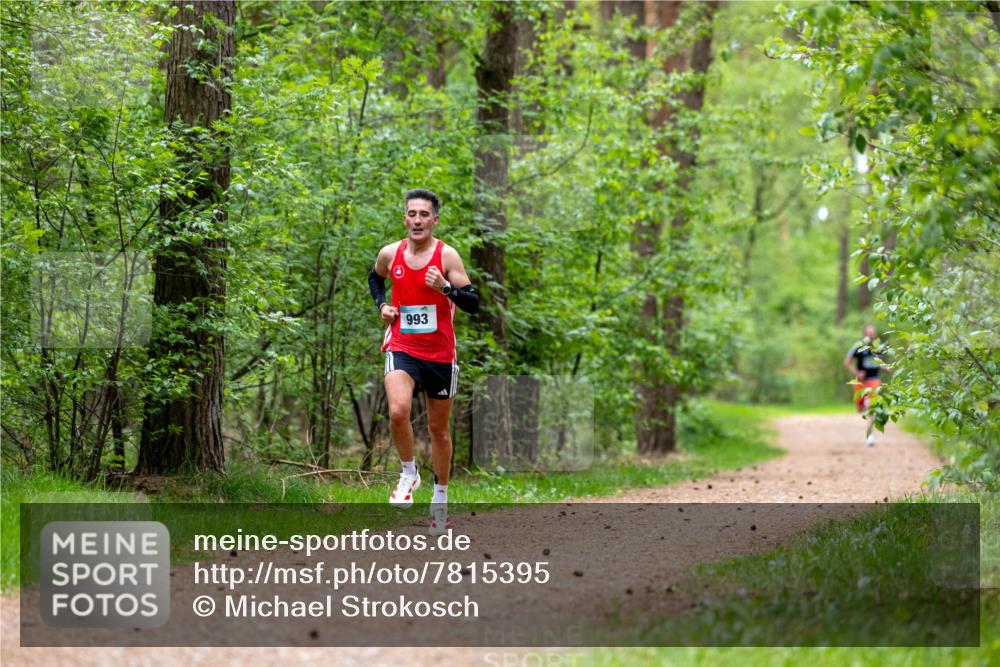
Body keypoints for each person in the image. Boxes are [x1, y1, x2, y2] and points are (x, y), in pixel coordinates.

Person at [367, 189, 479, 535]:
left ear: (434, 220)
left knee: (438, 430)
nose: (417, 220)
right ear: (405, 219)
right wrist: (381, 306)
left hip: (441, 354)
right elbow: (375, 278)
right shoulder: (391, 253)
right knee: (398, 411)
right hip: (401, 345)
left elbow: (473, 302)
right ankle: (408, 473)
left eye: (424, 214)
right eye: (412, 214)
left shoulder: (447, 256)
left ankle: (440, 501)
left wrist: (445, 288)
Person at [843, 324, 888, 446]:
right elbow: (847, 362)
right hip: (860, 382)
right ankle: (863, 406)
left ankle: (870, 436)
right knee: (860, 408)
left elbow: (880, 363)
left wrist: (887, 368)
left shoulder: (879, 346)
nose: (871, 335)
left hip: (874, 380)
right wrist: (856, 372)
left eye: (872, 332)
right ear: (864, 334)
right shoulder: (858, 345)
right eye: (868, 332)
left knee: (871, 408)